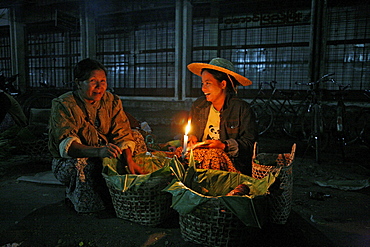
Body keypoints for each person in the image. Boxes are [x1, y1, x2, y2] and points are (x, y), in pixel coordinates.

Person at [48, 58, 144, 214]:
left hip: (104, 153)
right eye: (93, 81)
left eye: (103, 81)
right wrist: (99, 151)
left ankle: (127, 188)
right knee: (80, 164)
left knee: (137, 137)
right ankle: (80, 197)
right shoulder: (63, 104)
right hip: (75, 159)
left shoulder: (111, 101)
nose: (100, 87)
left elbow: (122, 132)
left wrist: (129, 160)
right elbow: (68, 146)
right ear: (78, 83)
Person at [186, 57, 258, 175]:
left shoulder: (241, 109)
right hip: (199, 159)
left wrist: (224, 146)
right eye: (202, 83)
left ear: (223, 84)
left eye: (208, 83)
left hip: (228, 164)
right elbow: (191, 132)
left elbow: (249, 144)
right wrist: (191, 138)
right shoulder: (199, 106)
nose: (203, 88)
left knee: (215, 155)